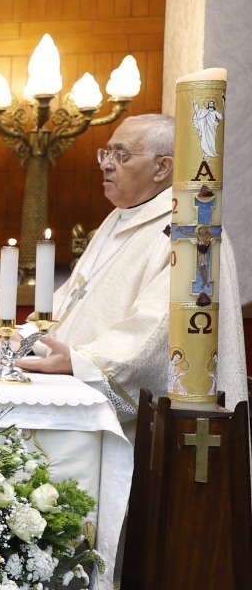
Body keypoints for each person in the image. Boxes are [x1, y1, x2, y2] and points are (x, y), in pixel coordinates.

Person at [20, 114, 247, 418]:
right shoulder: (119, 217)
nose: (105, 164)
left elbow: (159, 327)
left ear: (162, 167)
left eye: (121, 154)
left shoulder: (190, 230)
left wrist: (83, 361)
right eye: (106, 152)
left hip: (142, 424)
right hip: (72, 393)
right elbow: (75, 295)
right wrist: (27, 336)